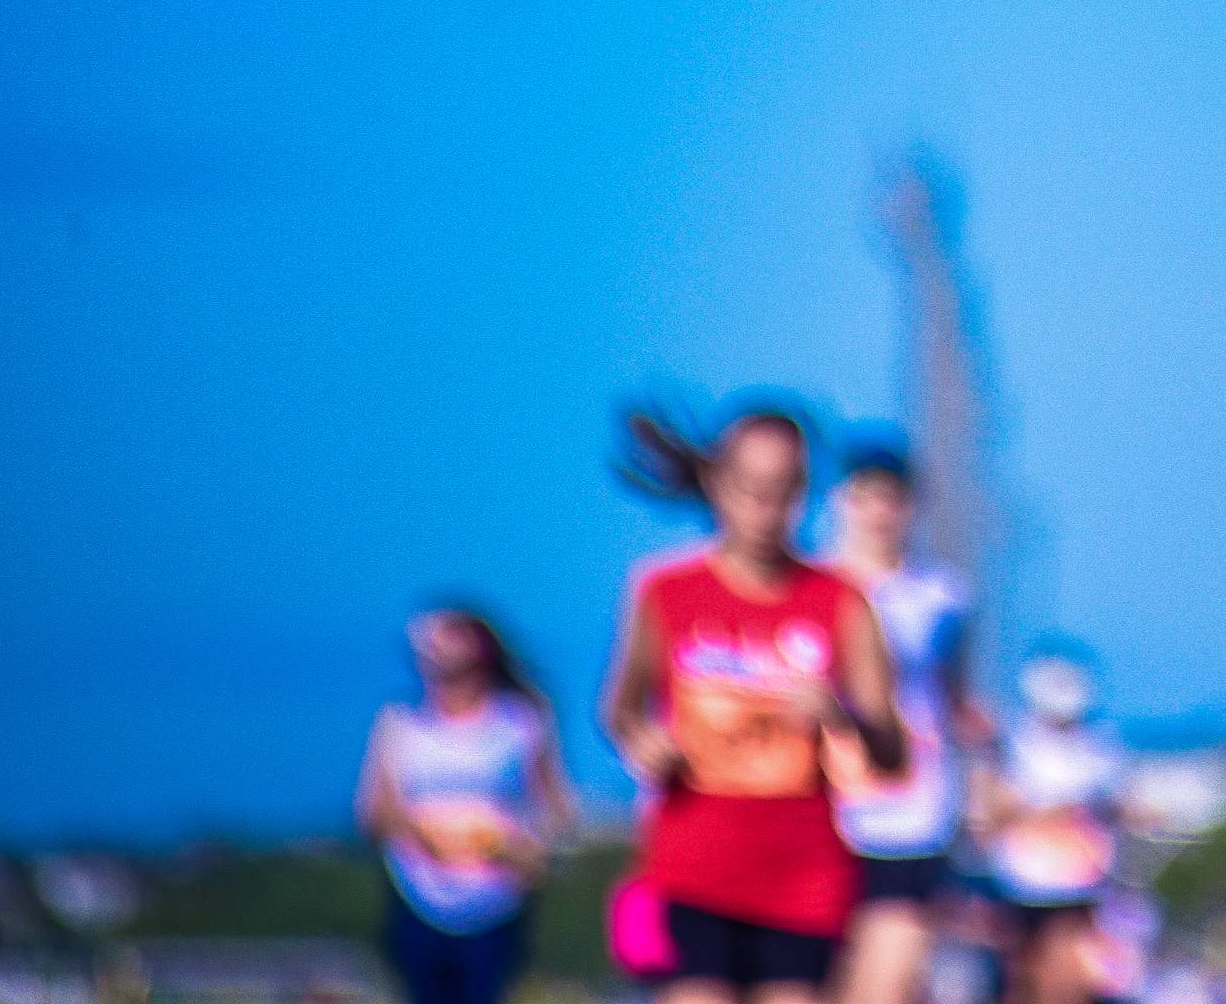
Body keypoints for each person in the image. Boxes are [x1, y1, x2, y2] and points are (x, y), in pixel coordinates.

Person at [605, 401, 910, 1004]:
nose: (766, 511)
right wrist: (646, 744)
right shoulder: (664, 592)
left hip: (803, 877)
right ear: (717, 484)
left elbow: (893, 753)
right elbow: (619, 710)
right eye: (751, 489)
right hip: (692, 869)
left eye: (783, 492)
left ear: (804, 494)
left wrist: (837, 715)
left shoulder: (841, 601)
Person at [825, 439, 983, 1004]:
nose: (877, 513)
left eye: (890, 499)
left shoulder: (941, 596)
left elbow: (955, 697)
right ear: (841, 502)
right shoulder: (813, 586)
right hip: (826, 808)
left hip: (912, 810)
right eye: (864, 498)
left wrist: (986, 777)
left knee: (890, 979)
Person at [358, 606, 577, 1004]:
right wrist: (423, 834)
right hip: (418, 891)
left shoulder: (520, 721)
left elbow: (555, 804)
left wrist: (531, 849)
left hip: (497, 894)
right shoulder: (401, 724)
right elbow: (373, 811)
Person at [970, 649, 1133, 1004]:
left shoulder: (1100, 745)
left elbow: (1116, 808)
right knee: (1024, 978)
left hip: (1077, 885)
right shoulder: (1011, 742)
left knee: (1066, 978)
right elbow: (991, 812)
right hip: (1020, 883)